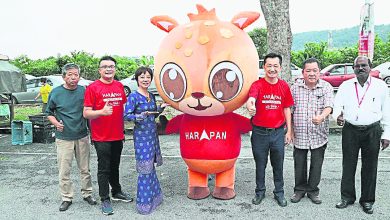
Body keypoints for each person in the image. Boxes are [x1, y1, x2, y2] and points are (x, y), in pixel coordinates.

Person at [333, 56, 390, 214]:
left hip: (372, 130)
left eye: (364, 65)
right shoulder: (346, 86)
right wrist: (337, 115)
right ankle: (347, 197)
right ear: (354, 69)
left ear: (370, 67)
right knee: (348, 165)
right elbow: (337, 105)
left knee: (370, 167)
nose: (360, 68)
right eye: (357, 66)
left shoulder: (380, 86)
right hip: (350, 129)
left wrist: (387, 134)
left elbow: (387, 110)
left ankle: (367, 200)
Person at [83, 56, 133, 215]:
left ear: (115, 69)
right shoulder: (92, 88)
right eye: (105, 66)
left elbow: (123, 108)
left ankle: (116, 191)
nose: (108, 69)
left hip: (117, 135)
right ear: (100, 70)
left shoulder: (119, 86)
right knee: (104, 168)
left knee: (115, 165)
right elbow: (86, 113)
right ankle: (104, 198)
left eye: (111, 66)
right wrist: (101, 112)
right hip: (101, 137)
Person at [46, 63, 97, 211]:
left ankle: (87, 194)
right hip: (63, 137)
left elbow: (89, 114)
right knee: (64, 170)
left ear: (79, 77)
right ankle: (67, 197)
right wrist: (56, 123)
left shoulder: (84, 91)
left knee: (85, 168)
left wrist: (92, 134)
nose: (73, 77)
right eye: (70, 75)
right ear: (64, 77)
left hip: (82, 136)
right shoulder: (55, 93)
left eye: (76, 74)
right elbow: (49, 112)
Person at [246, 52, 294, 207]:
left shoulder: (284, 86)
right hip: (259, 133)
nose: (272, 69)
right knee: (260, 164)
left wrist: (289, 131)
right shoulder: (257, 85)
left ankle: (279, 193)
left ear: (280, 67)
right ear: (263, 67)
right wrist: (251, 106)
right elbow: (251, 99)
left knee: (278, 164)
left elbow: (287, 108)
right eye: (269, 66)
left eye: (275, 66)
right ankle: (259, 192)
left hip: (278, 133)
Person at [124, 66, 168, 214]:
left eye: (148, 77)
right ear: (137, 79)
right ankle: (144, 204)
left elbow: (153, 115)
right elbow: (125, 115)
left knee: (151, 168)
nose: (145, 79)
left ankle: (155, 197)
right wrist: (138, 116)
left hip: (152, 136)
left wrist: (160, 109)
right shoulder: (133, 97)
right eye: (142, 77)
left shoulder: (151, 95)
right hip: (141, 138)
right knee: (145, 170)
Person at [290, 58, 334, 204]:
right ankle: (299, 190)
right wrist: (290, 131)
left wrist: (322, 116)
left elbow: (329, 106)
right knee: (299, 163)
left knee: (317, 164)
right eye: (308, 70)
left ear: (319, 72)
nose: (311, 73)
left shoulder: (326, 87)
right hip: (300, 134)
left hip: (318, 135)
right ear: (303, 72)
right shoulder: (295, 88)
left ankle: (313, 191)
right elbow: (290, 110)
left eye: (315, 70)